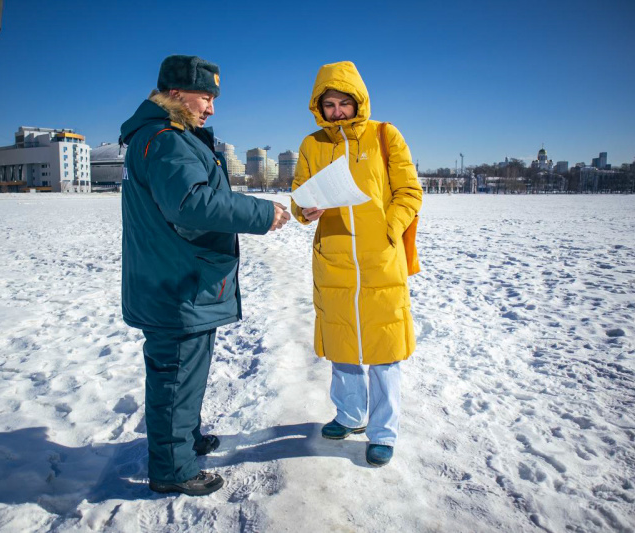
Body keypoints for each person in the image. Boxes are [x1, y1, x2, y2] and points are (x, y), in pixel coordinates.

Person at [120, 55, 290, 496]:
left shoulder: (170, 137)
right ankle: (172, 470)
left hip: (180, 280)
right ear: (175, 94)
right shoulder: (166, 139)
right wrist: (261, 212)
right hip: (176, 286)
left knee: (185, 373)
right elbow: (190, 204)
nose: (211, 107)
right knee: (175, 377)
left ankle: (185, 439)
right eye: (205, 96)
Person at [290, 61, 422, 467]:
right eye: (328, 104)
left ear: (358, 101)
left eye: (344, 102)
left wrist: (389, 228)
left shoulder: (386, 135)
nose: (337, 111)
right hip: (334, 259)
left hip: (381, 259)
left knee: (384, 349)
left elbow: (409, 191)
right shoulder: (312, 145)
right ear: (319, 107)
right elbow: (298, 194)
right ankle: (349, 416)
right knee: (343, 345)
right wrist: (304, 210)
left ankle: (383, 432)